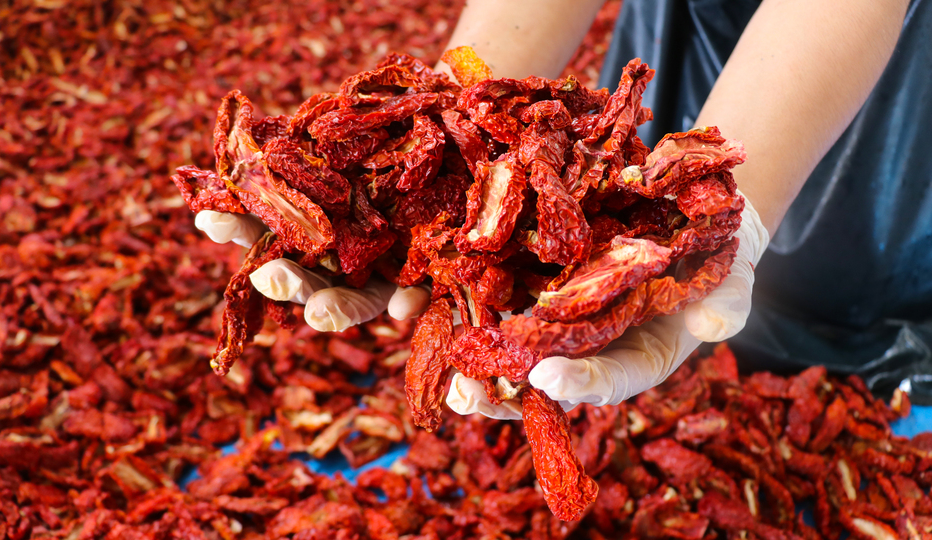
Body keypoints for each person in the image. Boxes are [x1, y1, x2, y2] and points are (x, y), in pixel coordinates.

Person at [196, 0, 931, 418]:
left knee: (798, 268)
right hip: (685, 38)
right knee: (613, 195)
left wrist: (731, 209)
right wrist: (459, 110)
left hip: (862, 75)